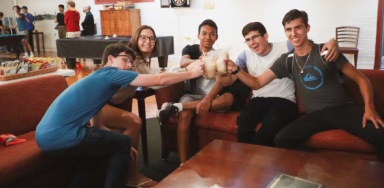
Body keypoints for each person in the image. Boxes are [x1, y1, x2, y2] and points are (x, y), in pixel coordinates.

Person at [222, 9, 384, 162]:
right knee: (282, 139)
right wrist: (235, 69)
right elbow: (257, 83)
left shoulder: (325, 52)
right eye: (289, 29)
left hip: (342, 109)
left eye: (298, 27)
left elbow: (362, 79)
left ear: (307, 28)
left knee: (382, 135)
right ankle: (324, 168)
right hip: (316, 116)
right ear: (285, 32)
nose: (294, 33)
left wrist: (369, 108)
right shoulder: (287, 60)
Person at [35, 43, 205, 188]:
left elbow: (96, 124)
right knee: (123, 141)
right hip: (62, 136)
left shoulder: (98, 78)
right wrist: (191, 73)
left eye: (131, 62)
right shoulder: (110, 73)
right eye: (124, 59)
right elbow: (159, 80)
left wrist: (116, 145)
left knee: (99, 151)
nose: (128, 65)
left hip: (45, 137)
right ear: (110, 59)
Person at [217, 22, 339, 146]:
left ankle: (256, 157)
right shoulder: (245, 55)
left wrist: (332, 41)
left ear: (265, 36)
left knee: (270, 124)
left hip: (284, 100)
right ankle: (245, 156)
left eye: (255, 37)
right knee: (243, 121)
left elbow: (308, 46)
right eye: (248, 40)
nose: (251, 42)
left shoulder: (286, 47)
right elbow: (228, 81)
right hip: (258, 99)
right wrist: (221, 71)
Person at [157, 19, 250, 164]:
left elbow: (221, 81)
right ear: (198, 35)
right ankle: (183, 163)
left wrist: (207, 100)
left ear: (216, 37)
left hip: (213, 96)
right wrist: (200, 61)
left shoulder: (220, 55)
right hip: (192, 95)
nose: (208, 37)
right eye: (204, 33)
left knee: (227, 101)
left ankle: (174, 106)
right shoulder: (191, 49)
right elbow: (183, 62)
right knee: (185, 115)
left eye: (212, 34)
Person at [99, 25, 162, 187]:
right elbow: (156, 82)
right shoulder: (132, 60)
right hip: (99, 105)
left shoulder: (137, 60)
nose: (148, 41)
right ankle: (131, 175)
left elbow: (141, 83)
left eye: (151, 38)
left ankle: (122, 174)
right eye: (144, 38)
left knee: (124, 131)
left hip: (109, 103)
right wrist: (186, 71)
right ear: (136, 38)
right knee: (135, 122)